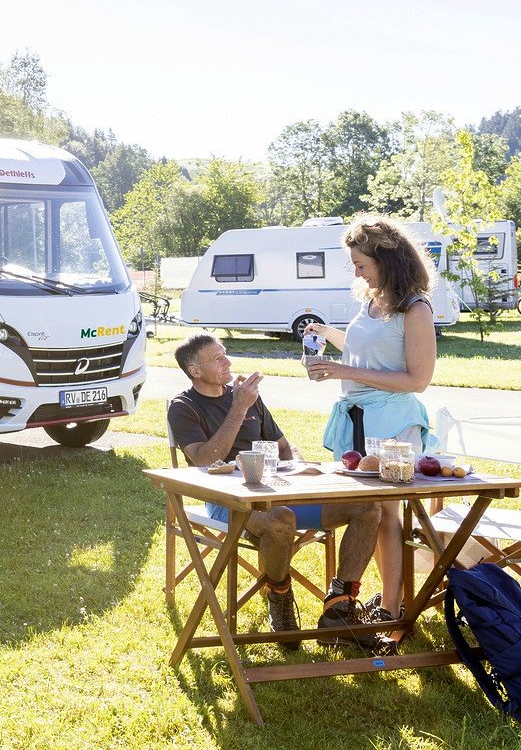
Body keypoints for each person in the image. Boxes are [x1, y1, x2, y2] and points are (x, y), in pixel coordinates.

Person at [168, 333, 389, 652]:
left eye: (225, 353)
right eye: (217, 358)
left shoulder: (247, 398)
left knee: (367, 506)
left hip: (277, 492)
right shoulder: (184, 406)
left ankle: (339, 608)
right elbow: (204, 459)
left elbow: (284, 447)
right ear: (195, 371)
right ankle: (280, 596)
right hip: (227, 501)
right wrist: (239, 408)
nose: (228, 361)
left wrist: (299, 467)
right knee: (280, 519)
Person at [304, 214, 438, 626]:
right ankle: (390, 597)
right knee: (373, 513)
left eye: (361, 264)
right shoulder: (372, 301)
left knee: (387, 513)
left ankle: (393, 609)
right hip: (359, 421)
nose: (357, 272)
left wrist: (343, 371)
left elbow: (417, 379)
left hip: (394, 425)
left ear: (387, 260)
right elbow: (372, 349)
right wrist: (331, 337)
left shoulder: (415, 309)